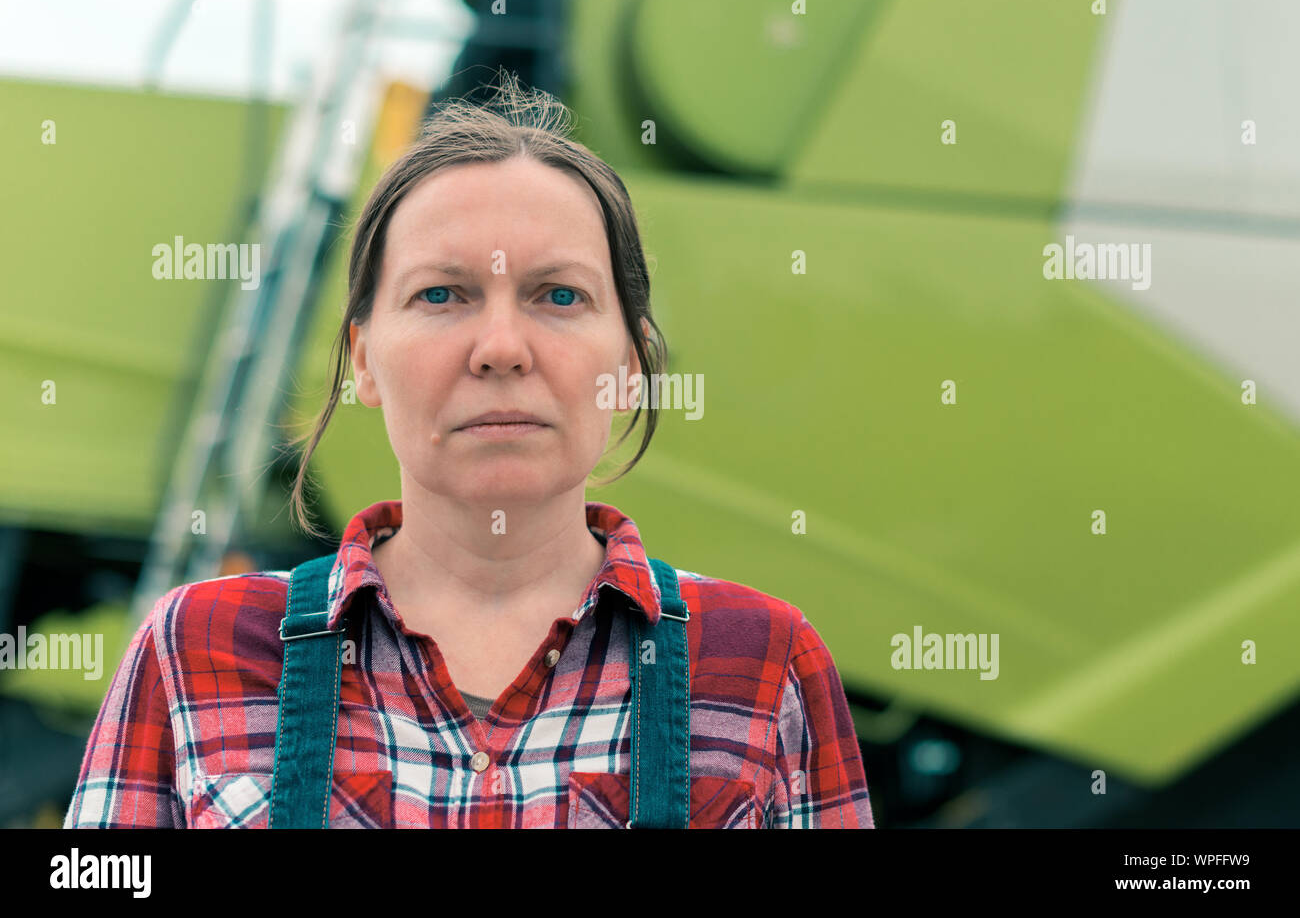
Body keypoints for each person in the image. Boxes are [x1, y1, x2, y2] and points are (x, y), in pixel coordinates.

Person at [64, 72, 874, 828]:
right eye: (442, 294)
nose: (501, 348)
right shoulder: (195, 649)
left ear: (630, 366)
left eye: (560, 295)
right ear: (364, 360)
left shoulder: (763, 663)